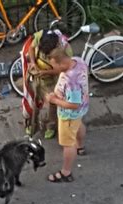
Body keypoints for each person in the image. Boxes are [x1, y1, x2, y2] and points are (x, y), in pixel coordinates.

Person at [45, 48, 88, 183]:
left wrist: (54, 100)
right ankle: (80, 147)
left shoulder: (71, 81)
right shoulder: (78, 61)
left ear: (62, 64)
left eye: (54, 66)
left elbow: (74, 104)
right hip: (81, 109)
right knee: (79, 125)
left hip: (68, 115)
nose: (53, 68)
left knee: (68, 144)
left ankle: (66, 172)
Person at [27, 29, 73, 139]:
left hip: (53, 80)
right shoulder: (39, 36)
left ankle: (51, 127)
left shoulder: (66, 50)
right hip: (37, 77)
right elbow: (31, 48)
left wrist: (46, 72)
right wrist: (33, 63)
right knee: (32, 101)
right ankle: (31, 123)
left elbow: (63, 70)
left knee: (52, 106)